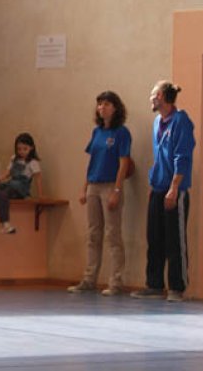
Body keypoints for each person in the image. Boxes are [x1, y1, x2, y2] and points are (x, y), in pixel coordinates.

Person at [132, 81, 196, 302]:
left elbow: (182, 157)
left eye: (152, 95)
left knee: (174, 239)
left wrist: (174, 188)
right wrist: (155, 184)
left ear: (160, 96)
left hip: (174, 190)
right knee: (154, 237)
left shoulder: (181, 121)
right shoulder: (157, 121)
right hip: (158, 187)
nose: (150, 99)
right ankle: (154, 284)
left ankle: (177, 287)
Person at [69, 91, 131, 296]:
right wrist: (84, 187)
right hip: (94, 185)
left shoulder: (121, 133)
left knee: (113, 235)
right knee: (93, 234)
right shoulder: (97, 132)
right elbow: (92, 161)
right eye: (99, 104)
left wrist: (116, 190)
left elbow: (124, 163)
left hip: (110, 185)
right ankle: (89, 279)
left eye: (106, 104)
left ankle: (116, 281)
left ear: (115, 108)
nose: (102, 107)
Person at [0, 132, 43, 199]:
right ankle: (4, 194)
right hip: (12, 183)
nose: (22, 151)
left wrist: (40, 195)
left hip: (22, 187)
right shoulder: (14, 158)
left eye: (25, 149)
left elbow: (38, 178)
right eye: (19, 149)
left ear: (31, 147)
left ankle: (24, 195)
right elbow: (8, 173)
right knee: (0, 186)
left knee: (14, 184)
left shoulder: (33, 162)